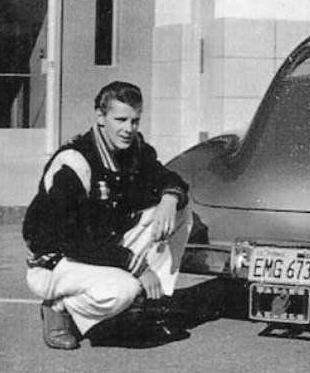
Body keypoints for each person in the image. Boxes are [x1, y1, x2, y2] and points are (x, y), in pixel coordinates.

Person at [22, 81, 193, 349]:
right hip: (57, 260)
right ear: (100, 117)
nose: (128, 129)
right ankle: (60, 307)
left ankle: (147, 303)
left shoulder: (134, 148)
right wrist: (138, 267)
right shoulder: (74, 162)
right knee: (122, 290)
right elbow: (70, 240)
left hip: (101, 247)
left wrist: (170, 197)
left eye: (135, 120)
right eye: (120, 119)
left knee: (181, 209)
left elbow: (169, 178)